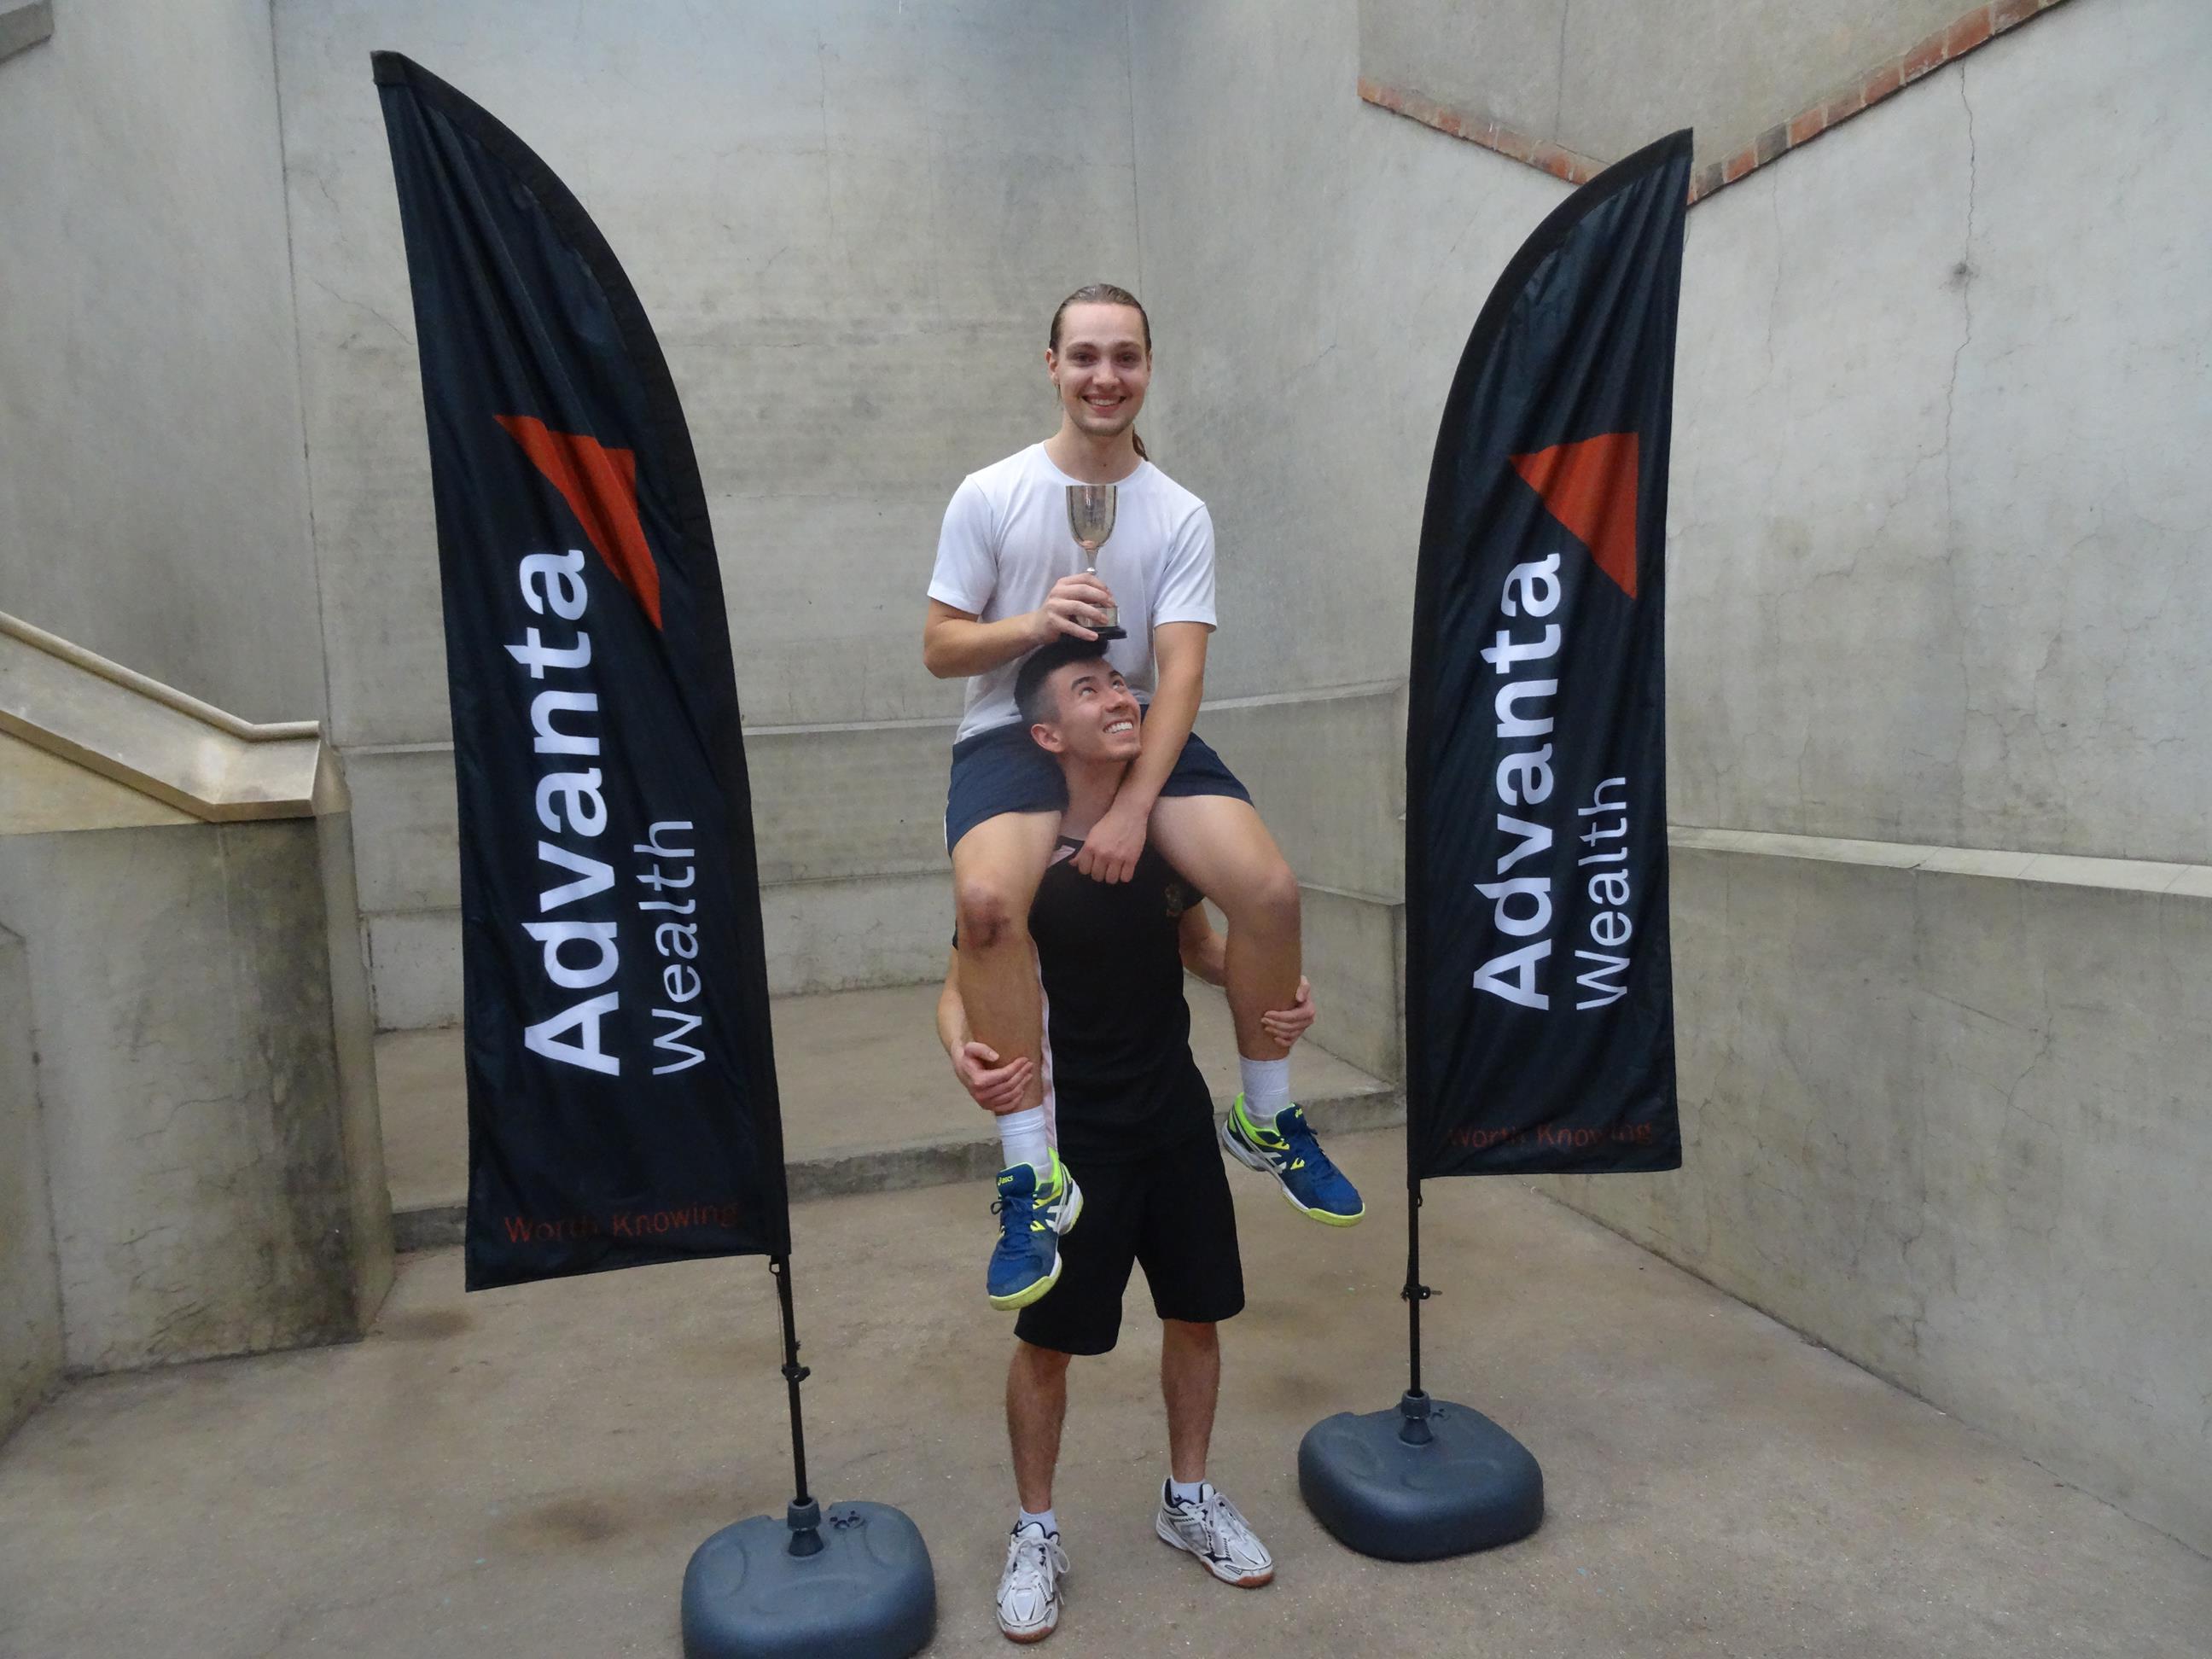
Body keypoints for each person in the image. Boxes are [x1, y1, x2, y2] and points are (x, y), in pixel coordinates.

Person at [923, 282, 1362, 1311]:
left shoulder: (1178, 513)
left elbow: (1182, 672)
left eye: (1125, 357)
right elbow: (942, 649)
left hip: (1137, 724)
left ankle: (1265, 1114)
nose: (1104, 376)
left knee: (1270, 891)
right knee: (990, 910)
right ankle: (1033, 1170)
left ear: (1149, 368)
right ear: (1052, 367)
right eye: (1084, 356)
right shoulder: (990, 495)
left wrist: (1131, 806)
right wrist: (1032, 625)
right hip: (1008, 732)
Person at [935, 637, 1344, 1642]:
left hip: (1172, 1114)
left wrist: (1275, 1004)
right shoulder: (1021, 852)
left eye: (1122, 680)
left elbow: (1206, 951)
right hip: (1078, 1140)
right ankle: (1036, 1531)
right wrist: (962, 1053)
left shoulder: (1173, 838)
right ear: (1045, 734)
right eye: (1091, 687)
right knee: (1048, 1346)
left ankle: (1188, 1499)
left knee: (1197, 1317)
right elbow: (957, 985)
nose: (1120, 693)